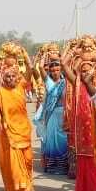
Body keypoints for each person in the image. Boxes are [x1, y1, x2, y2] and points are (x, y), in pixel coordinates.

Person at [62, 38, 96, 191]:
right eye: (83, 70)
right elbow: (64, 65)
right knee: (85, 159)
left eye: (89, 70)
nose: (85, 73)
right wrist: (73, 50)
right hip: (83, 130)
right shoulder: (77, 82)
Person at [0, 60, 35, 191]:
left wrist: (26, 58)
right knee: (13, 160)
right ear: (3, 79)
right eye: (7, 77)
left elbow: (31, 70)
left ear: (17, 77)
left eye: (12, 76)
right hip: (9, 131)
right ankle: (19, 186)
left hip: (24, 129)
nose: (10, 79)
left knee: (27, 159)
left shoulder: (21, 86)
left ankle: (25, 182)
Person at [34, 44, 69, 174]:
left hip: (64, 114)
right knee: (52, 141)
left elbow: (67, 65)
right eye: (52, 70)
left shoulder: (66, 82)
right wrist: (45, 54)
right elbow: (40, 68)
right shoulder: (48, 82)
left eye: (57, 70)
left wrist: (63, 54)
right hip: (52, 116)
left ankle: (64, 167)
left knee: (64, 141)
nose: (54, 72)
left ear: (61, 70)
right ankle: (53, 167)